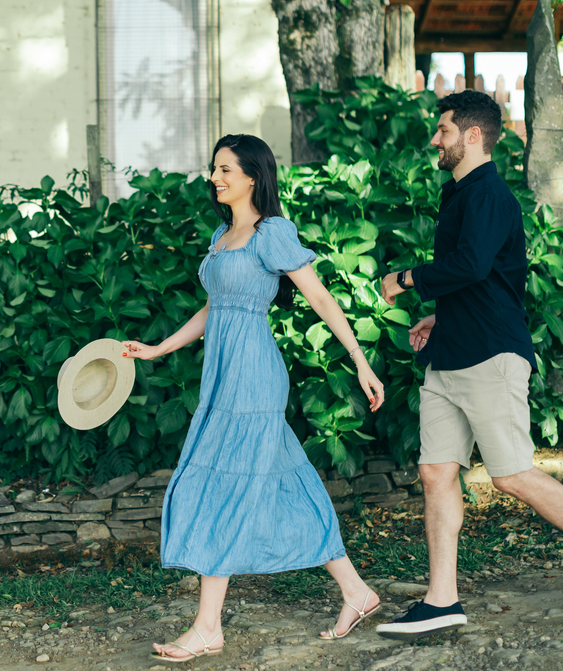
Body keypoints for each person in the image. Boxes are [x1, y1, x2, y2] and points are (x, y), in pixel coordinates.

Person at [376, 90, 563, 639]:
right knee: (436, 473)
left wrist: (407, 279)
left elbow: (467, 265)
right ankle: (442, 599)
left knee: (512, 475)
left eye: (442, 130)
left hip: (491, 356)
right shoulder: (462, 194)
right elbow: (490, 278)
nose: (434, 139)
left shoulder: (489, 194)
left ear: (471, 136)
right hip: (450, 356)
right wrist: (439, 318)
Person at [122, 134, 387, 663]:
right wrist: (158, 349)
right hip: (222, 375)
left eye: (226, 169)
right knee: (286, 481)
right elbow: (212, 309)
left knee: (219, 486)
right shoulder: (224, 234)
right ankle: (357, 592)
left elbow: (319, 297)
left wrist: (360, 360)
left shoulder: (271, 233)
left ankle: (206, 627)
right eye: (214, 168)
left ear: (252, 176)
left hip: (253, 376)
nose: (215, 177)